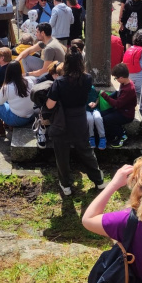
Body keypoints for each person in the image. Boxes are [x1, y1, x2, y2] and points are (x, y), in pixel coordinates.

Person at [45, 45, 106, 196]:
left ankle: (66, 186)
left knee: (62, 155)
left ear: (65, 63)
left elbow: (49, 104)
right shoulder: (87, 79)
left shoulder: (59, 82)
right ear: (81, 62)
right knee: (86, 151)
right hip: (80, 118)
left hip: (62, 121)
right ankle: (99, 181)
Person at [0, 60, 35, 137]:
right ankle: (6, 124)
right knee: (9, 100)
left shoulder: (7, 87)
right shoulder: (29, 80)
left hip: (17, 119)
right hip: (30, 115)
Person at [100, 63, 137, 148]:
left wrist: (104, 95)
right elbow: (118, 93)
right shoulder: (124, 83)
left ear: (121, 78)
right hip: (121, 110)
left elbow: (117, 104)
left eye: (116, 78)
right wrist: (110, 96)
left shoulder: (129, 89)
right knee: (101, 115)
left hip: (126, 114)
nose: (116, 80)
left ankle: (122, 136)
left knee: (107, 120)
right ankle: (111, 135)